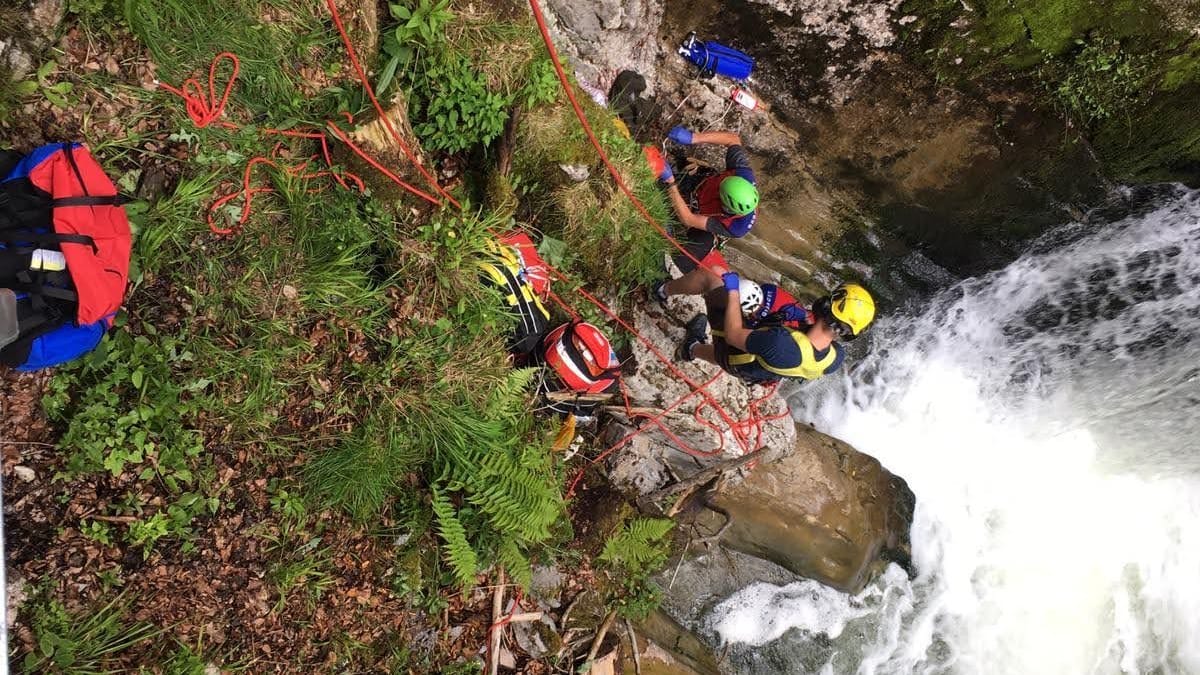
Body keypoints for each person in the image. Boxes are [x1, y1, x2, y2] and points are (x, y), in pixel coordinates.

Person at [679, 269, 876, 384]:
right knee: (741, 353)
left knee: (711, 278)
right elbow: (804, 349)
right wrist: (802, 326)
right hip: (753, 371)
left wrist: (732, 292)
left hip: (733, 354)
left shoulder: (779, 342)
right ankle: (691, 349)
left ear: (825, 307)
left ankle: (661, 290)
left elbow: (733, 335)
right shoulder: (835, 358)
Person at [649, 125, 759, 303]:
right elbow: (733, 139)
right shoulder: (742, 174)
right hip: (699, 186)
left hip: (700, 212)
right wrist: (693, 138)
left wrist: (670, 182)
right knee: (658, 186)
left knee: (696, 247)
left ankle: (668, 247)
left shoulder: (737, 227)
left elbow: (689, 219)